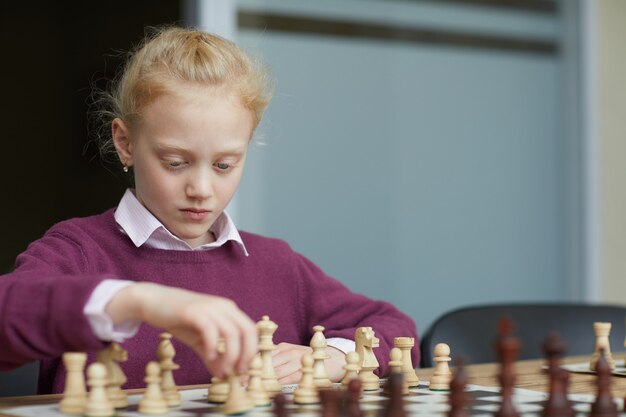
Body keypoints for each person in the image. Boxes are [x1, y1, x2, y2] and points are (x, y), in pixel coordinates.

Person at [0, 26, 418, 394]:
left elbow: (396, 326)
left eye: (224, 165)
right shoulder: (79, 250)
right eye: (175, 162)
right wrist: (138, 300)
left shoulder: (275, 264)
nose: (201, 189)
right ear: (125, 142)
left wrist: (339, 357)